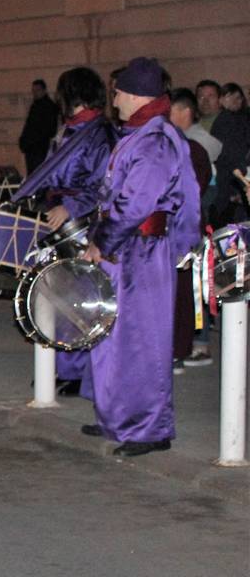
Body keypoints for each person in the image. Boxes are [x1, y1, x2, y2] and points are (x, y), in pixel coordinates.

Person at [81, 57, 199, 457]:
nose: (113, 98)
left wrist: (102, 241)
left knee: (141, 340)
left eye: (117, 92)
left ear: (133, 94)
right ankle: (117, 416)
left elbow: (135, 203)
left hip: (142, 252)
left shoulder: (156, 139)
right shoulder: (141, 132)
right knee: (114, 334)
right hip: (127, 249)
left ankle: (149, 427)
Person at [12, 67, 115, 394]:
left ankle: (75, 371)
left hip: (82, 222)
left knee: (79, 299)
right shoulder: (72, 129)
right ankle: (60, 364)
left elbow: (105, 183)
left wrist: (71, 207)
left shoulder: (100, 133)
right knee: (58, 296)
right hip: (59, 215)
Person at [168, 89, 214, 373]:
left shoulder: (192, 149)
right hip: (183, 228)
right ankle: (179, 349)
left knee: (185, 294)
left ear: (185, 112)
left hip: (184, 230)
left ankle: (179, 350)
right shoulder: (187, 148)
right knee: (184, 294)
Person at [210, 83, 250, 226]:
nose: (235, 101)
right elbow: (231, 156)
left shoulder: (237, 119)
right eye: (229, 97)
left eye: (238, 98)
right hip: (233, 186)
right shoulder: (228, 121)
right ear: (222, 100)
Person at [18, 78, 59, 175]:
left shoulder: (48, 107)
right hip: (33, 148)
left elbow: (49, 129)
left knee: (37, 175)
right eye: (33, 91)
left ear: (44, 91)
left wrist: (31, 140)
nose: (35, 93)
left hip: (39, 148)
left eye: (37, 90)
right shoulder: (36, 106)